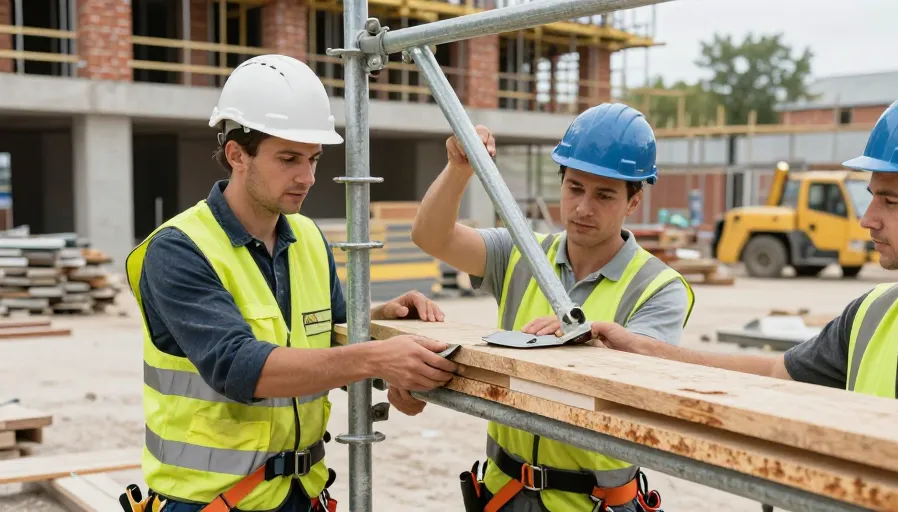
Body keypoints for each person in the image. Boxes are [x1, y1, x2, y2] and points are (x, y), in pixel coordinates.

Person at [123, 54, 458, 512]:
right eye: (288, 159)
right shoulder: (179, 249)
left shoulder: (306, 237)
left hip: (303, 492)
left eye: (313, 158)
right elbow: (238, 367)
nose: (308, 177)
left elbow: (332, 334)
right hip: (211, 501)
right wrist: (377, 357)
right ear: (237, 155)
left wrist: (384, 326)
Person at [591, 84, 898, 420]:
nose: (867, 219)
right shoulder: (870, 315)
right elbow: (774, 375)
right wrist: (646, 350)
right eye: (871, 197)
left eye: (890, 202)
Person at [401, 102, 694, 511]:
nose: (583, 207)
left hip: (593, 503)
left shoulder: (659, 287)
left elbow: (640, 377)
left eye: (604, 195)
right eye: (575, 188)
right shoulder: (522, 252)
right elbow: (431, 236)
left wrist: (581, 341)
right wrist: (459, 169)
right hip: (504, 494)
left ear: (633, 201)